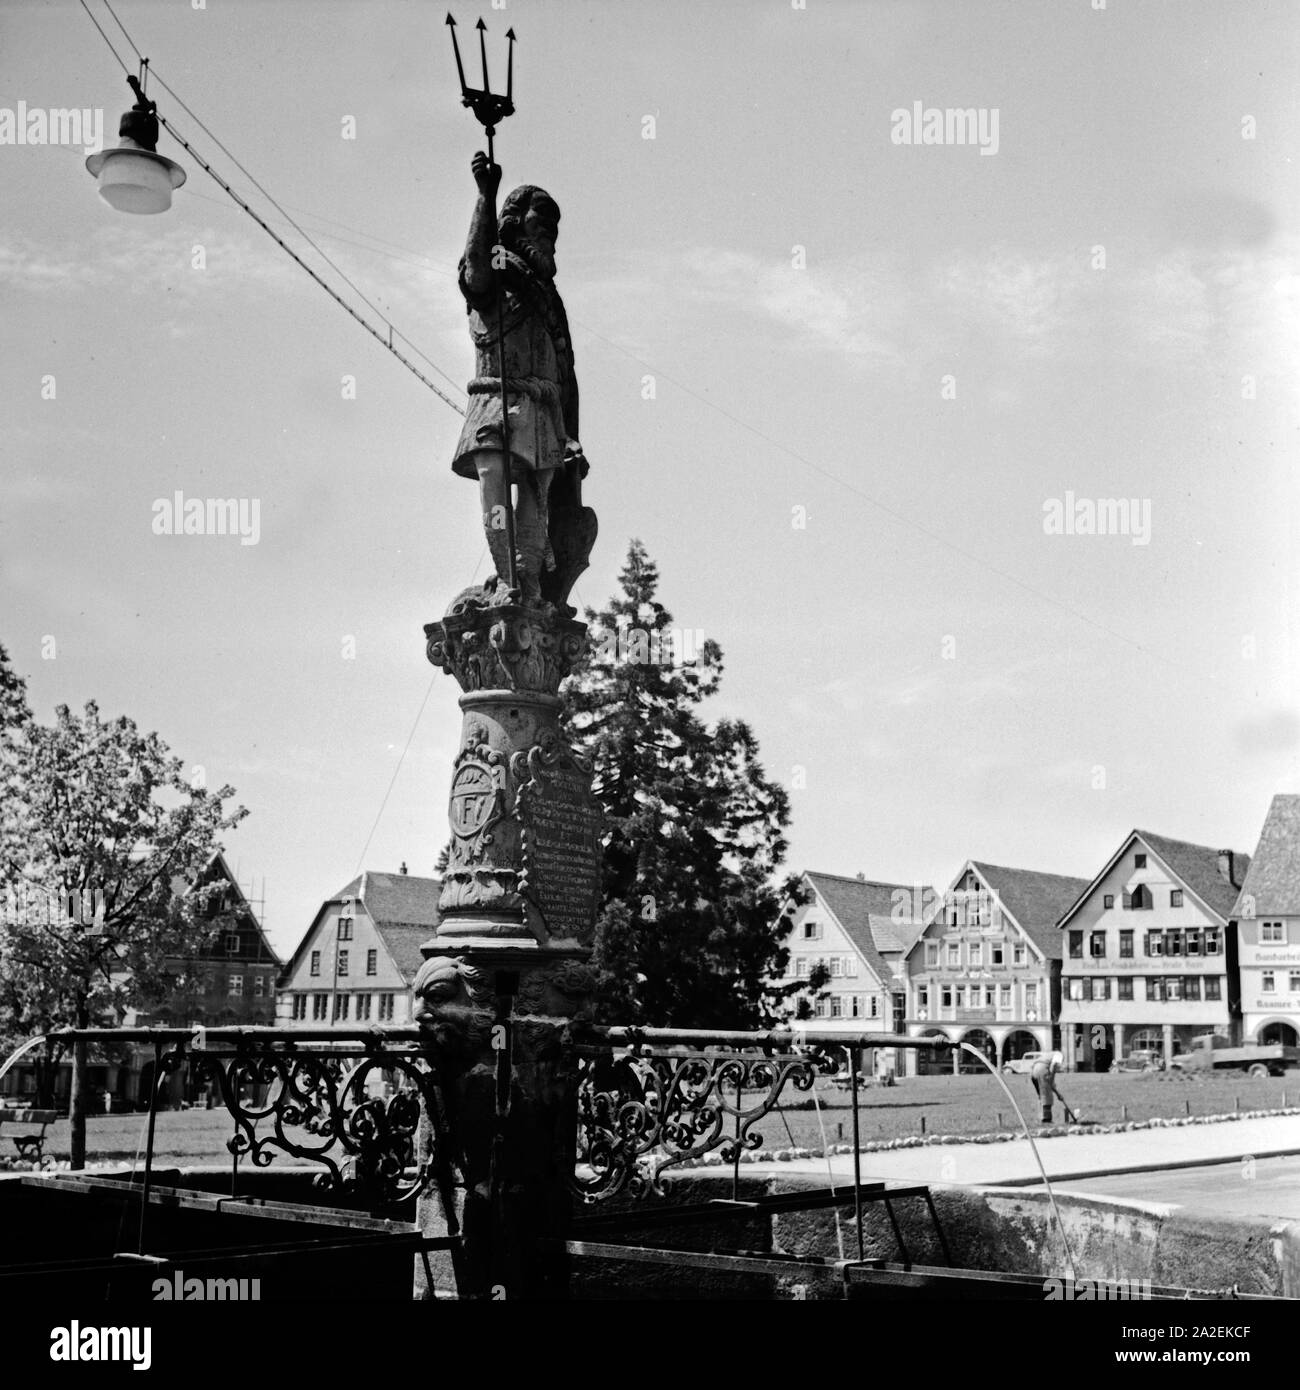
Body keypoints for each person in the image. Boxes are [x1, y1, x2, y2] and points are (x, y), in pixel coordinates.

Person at [452, 151, 586, 604]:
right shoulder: (498, 267)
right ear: (514, 220)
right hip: (497, 398)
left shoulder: (551, 296)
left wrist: (571, 431)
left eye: (554, 222)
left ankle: (526, 583)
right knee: (494, 481)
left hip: (544, 407)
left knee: (535, 497)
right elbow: (476, 269)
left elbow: (566, 370)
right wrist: (485, 195)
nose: (548, 227)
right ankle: (507, 574)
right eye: (540, 217)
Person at [1029, 1051, 1063, 1124]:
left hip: (1033, 1072)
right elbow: (1053, 1066)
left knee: (1041, 1096)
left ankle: (1040, 1117)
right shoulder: (1059, 1055)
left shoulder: (1048, 1055)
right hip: (1042, 1070)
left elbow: (1051, 1084)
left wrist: (1058, 1095)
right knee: (1047, 1096)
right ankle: (1047, 1120)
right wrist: (1052, 1076)